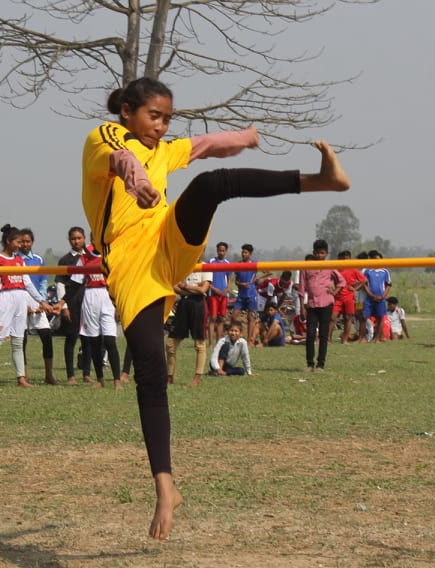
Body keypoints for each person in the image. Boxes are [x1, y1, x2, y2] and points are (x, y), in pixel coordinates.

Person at [81, 77, 350, 539]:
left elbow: (206, 145)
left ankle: (319, 182)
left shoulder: (163, 147)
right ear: (126, 110)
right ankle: (165, 486)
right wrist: (138, 180)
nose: (161, 128)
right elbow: (120, 159)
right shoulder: (104, 137)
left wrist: (244, 138)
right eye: (154, 117)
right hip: (129, 261)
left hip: (167, 239)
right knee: (149, 367)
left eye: (167, 119)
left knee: (211, 184)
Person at [0, 224, 52, 388]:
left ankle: (21, 378)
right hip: (4, 301)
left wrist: (42, 301)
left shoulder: (19, 261)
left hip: (20, 300)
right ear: (8, 241)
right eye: (18, 242)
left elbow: (28, 284)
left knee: (18, 342)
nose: (20, 245)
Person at [78, 246, 122, 388]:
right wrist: (63, 302)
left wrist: (119, 305)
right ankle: (100, 379)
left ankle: (117, 380)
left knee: (109, 340)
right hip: (90, 297)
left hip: (108, 297)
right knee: (94, 341)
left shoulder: (113, 255)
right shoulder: (84, 258)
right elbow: (75, 281)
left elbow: (119, 281)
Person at [19, 228, 58, 385]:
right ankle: (24, 375)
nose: (25, 244)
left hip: (37, 300)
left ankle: (49, 375)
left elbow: (42, 281)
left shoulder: (38, 259)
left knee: (46, 337)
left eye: (27, 241)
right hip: (20, 300)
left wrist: (42, 302)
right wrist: (23, 305)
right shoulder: (15, 260)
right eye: (22, 241)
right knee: (22, 341)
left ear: (32, 242)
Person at [299, 240, 343, 371]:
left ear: (326, 254)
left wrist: (334, 292)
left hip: (326, 304)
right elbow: (301, 288)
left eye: (322, 253)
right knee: (310, 334)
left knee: (324, 334)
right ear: (313, 253)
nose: (319, 256)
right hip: (312, 305)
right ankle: (309, 363)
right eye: (317, 253)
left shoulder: (330, 267)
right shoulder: (306, 267)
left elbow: (342, 281)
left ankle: (320, 364)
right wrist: (302, 306)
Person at [165, 267, 212, 387]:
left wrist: (185, 286)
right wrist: (193, 289)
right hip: (183, 304)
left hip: (198, 305)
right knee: (170, 343)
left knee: (199, 344)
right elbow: (175, 287)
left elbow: (203, 290)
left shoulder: (206, 267)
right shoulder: (183, 263)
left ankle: (197, 377)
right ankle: (169, 376)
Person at [55, 226, 88, 384]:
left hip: (88, 302)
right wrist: (64, 307)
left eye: (79, 238)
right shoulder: (65, 260)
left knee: (89, 339)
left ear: (85, 239)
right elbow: (60, 285)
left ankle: (86, 373)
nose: (77, 241)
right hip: (71, 302)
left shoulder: (91, 257)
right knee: (71, 339)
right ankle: (71, 375)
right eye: (73, 238)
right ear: (69, 241)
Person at [331, 250, 365, 345]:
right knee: (332, 318)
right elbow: (330, 280)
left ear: (350, 259)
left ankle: (344, 340)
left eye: (347, 259)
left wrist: (355, 288)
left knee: (348, 318)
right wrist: (333, 290)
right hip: (337, 297)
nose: (345, 261)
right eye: (343, 259)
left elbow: (363, 280)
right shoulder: (336, 269)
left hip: (349, 297)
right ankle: (328, 339)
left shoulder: (353, 269)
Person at [232, 244, 260, 345]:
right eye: (242, 252)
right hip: (241, 295)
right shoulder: (238, 264)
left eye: (246, 252)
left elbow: (269, 272)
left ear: (250, 254)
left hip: (251, 294)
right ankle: (239, 335)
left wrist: (258, 278)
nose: (243, 254)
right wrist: (241, 284)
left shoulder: (255, 263)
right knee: (234, 316)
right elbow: (236, 281)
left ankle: (250, 341)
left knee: (250, 318)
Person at [362, 250, 391, 343]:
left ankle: (377, 338)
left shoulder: (385, 271)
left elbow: (388, 285)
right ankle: (362, 337)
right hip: (369, 298)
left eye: (379, 259)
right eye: (375, 259)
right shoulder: (367, 271)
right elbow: (364, 284)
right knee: (364, 317)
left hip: (380, 299)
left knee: (380, 317)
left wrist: (383, 296)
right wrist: (370, 295)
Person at [205, 242, 231, 346]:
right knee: (213, 318)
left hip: (223, 295)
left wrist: (227, 289)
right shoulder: (211, 261)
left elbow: (229, 279)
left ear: (226, 251)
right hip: (213, 294)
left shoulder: (227, 263)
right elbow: (207, 278)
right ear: (217, 250)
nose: (221, 252)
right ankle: (211, 343)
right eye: (220, 250)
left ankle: (218, 343)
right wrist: (213, 288)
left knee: (221, 318)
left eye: (223, 250)